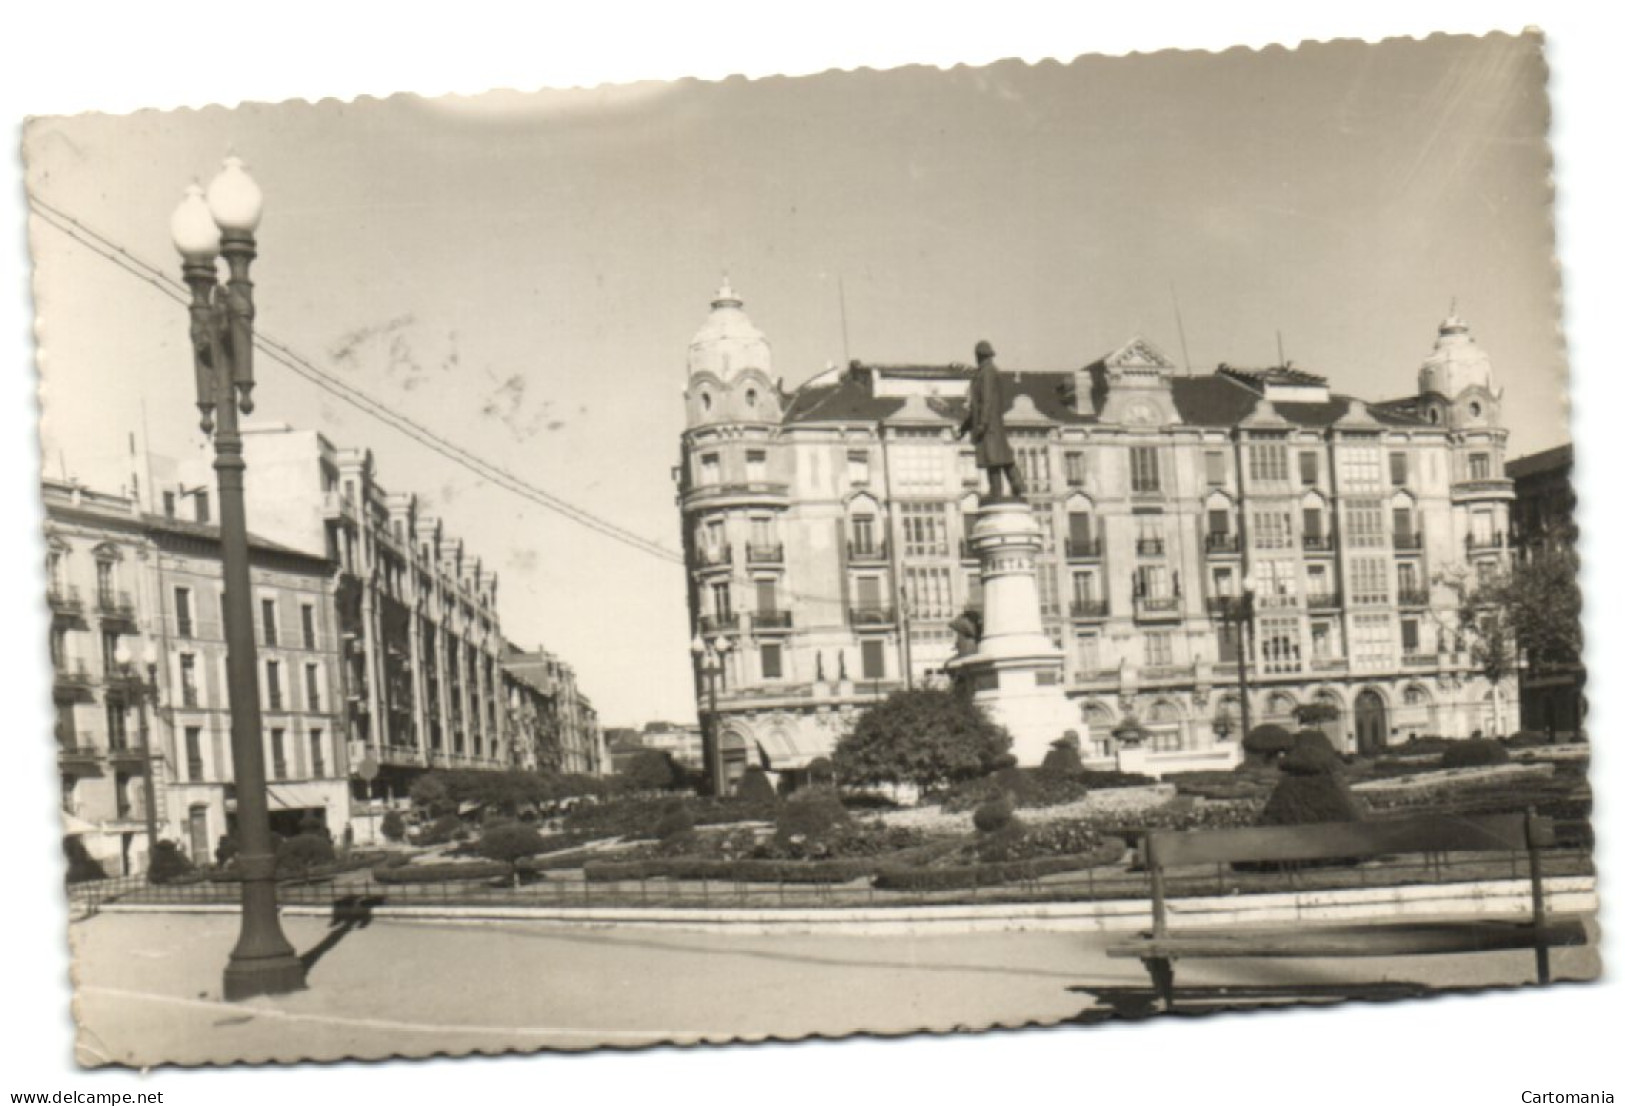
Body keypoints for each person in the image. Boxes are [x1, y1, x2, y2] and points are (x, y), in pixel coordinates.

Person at [958, 339, 1026, 501]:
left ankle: (999, 491)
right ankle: (1017, 486)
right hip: (991, 422)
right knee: (1000, 456)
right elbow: (977, 406)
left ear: (979, 355)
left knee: (994, 458)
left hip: (990, 424)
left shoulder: (988, 372)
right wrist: (964, 428)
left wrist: (982, 422)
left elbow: (986, 399)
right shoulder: (983, 372)